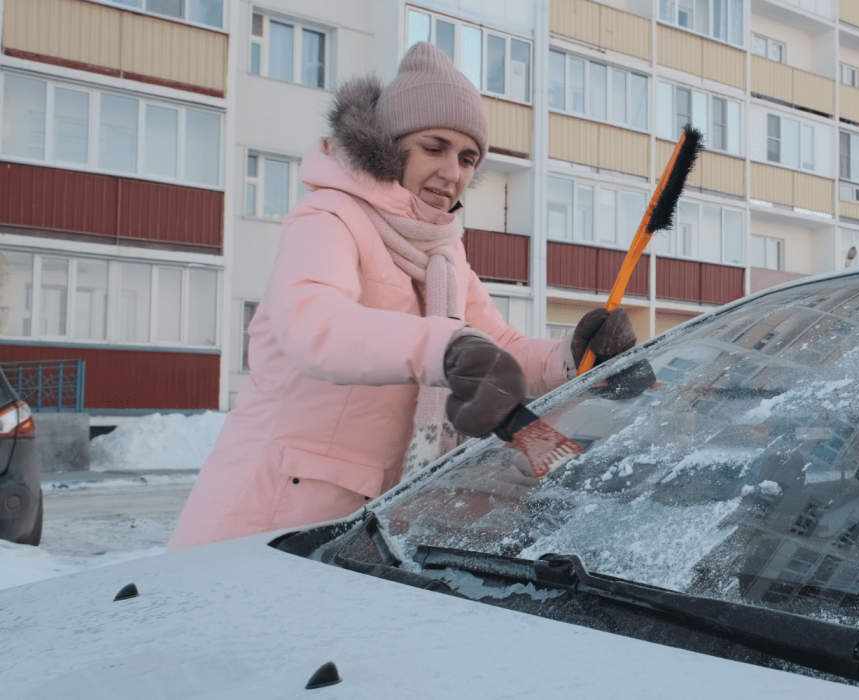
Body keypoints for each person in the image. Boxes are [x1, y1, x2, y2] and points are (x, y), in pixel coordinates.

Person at [168, 44, 635, 551]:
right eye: (434, 148)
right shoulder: (328, 218)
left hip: (356, 529)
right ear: (390, 147)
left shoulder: (444, 253)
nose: (452, 173)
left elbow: (495, 343)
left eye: (467, 158)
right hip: (261, 517)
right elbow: (316, 326)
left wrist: (573, 356)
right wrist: (445, 350)